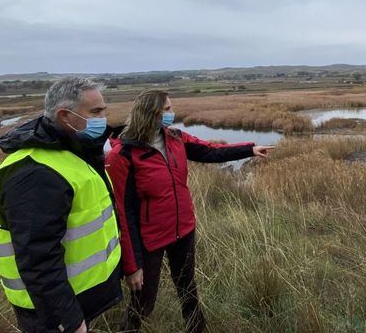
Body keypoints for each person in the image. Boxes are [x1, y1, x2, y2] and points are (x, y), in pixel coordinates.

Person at [106, 89, 274, 332]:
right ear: (150, 113)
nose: (171, 113)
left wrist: (249, 149)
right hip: (149, 239)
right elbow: (124, 213)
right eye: (166, 109)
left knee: (188, 288)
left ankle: (198, 329)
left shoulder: (175, 137)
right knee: (143, 303)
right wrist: (132, 266)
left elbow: (210, 151)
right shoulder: (123, 155)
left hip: (183, 230)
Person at [0, 78, 122, 333]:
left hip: (76, 299)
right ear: (65, 116)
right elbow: (38, 256)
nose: (103, 118)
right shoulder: (34, 173)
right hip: (49, 315)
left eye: (103, 110)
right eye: (96, 112)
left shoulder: (74, 154)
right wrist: (67, 319)